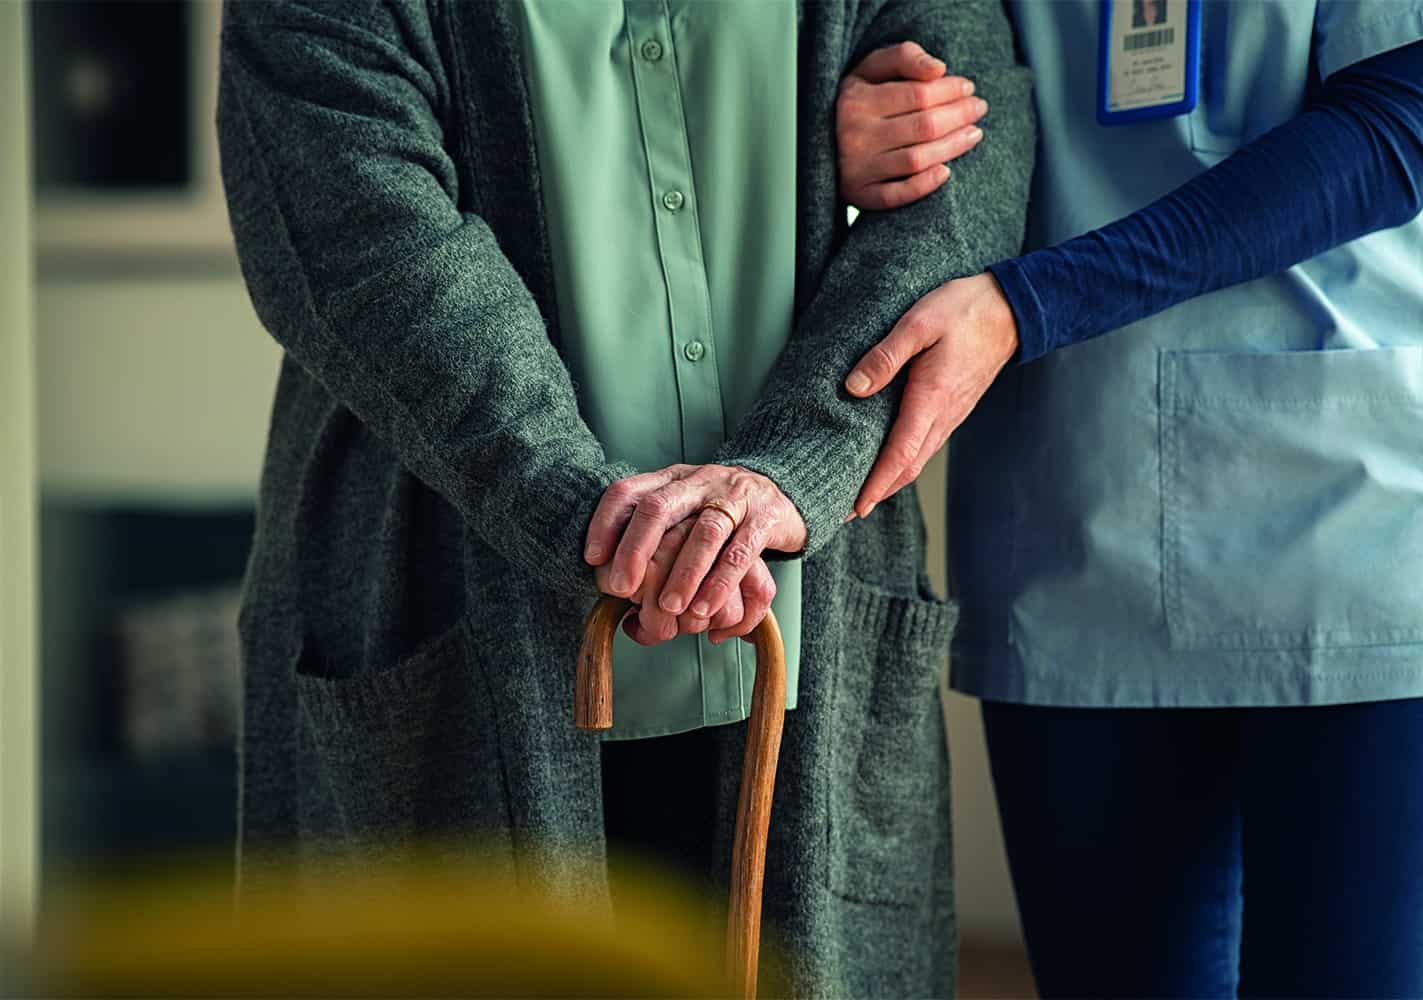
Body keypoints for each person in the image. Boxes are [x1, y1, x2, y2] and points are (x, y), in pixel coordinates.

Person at [215, 1, 1032, 995]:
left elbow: (970, 172)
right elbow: (368, 249)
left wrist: (786, 474)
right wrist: (601, 518)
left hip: (805, 631)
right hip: (452, 616)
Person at [827, 2, 1423, 996]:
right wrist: (855, 134)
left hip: (1361, 509)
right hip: (1077, 498)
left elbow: (1386, 136)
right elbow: (900, 47)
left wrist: (1030, 304)